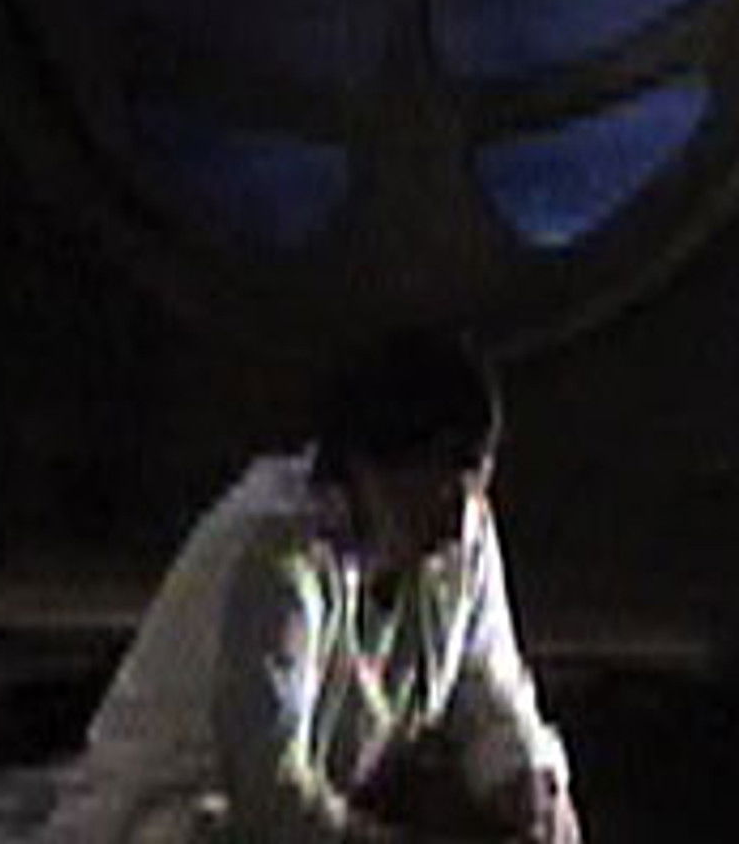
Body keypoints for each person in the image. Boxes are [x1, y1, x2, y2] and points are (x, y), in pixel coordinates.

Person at [37, 333, 580, 843]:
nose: (456, 522)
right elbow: (270, 789)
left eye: (472, 485)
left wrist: (527, 785)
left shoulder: (461, 538)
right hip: (170, 819)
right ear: (369, 469)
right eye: (435, 489)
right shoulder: (275, 549)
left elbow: (490, 687)